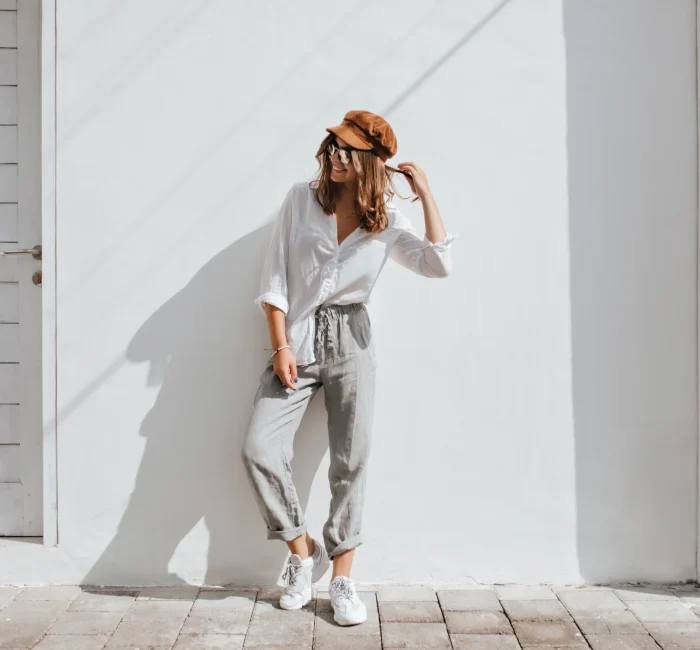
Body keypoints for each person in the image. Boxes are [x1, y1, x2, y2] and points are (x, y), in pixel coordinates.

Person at [241, 109, 457, 626]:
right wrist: (281, 347)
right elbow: (274, 278)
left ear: (371, 162)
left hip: (352, 339)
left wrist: (424, 193)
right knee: (259, 448)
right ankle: (302, 552)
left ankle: (342, 578)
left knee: (350, 461)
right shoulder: (301, 199)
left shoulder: (383, 217)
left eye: (349, 152)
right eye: (333, 147)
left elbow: (438, 264)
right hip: (296, 336)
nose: (336, 157)